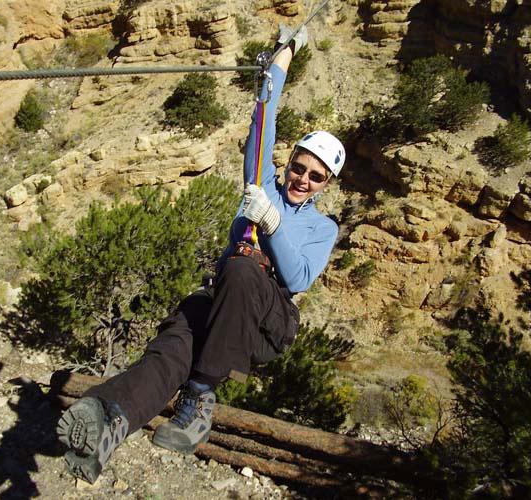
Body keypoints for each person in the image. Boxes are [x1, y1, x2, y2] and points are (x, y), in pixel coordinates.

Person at [56, 24, 346, 484]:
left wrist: (270, 224)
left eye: (316, 176)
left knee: (244, 266)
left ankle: (201, 394)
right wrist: (285, 53)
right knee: (171, 348)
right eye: (298, 166)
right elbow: (263, 116)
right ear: (288, 161)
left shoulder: (321, 227)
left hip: (266, 321)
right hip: (221, 298)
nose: (301, 179)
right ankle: (107, 416)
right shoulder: (262, 182)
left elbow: (299, 278)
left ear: (326, 184)